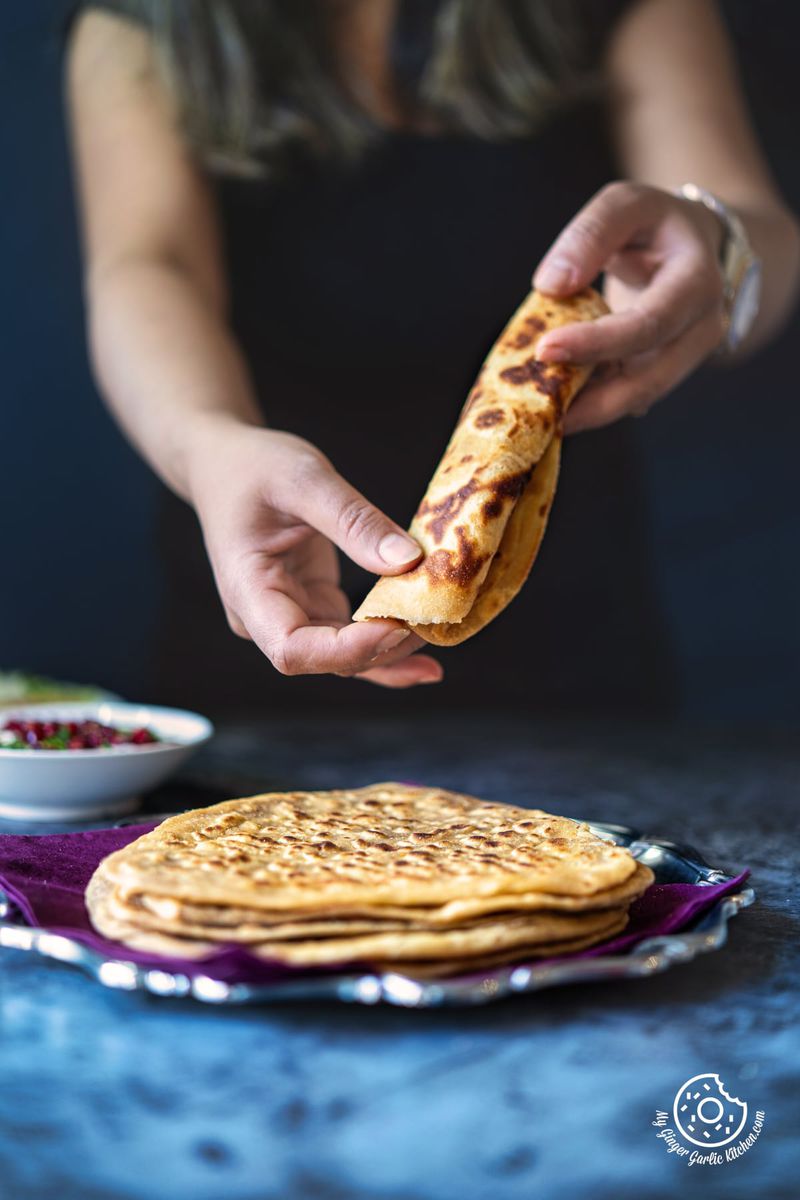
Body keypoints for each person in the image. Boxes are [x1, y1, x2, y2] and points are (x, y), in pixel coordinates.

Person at [66, 0, 799, 704]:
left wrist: (719, 249)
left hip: (574, 644)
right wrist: (206, 442)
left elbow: (759, 228)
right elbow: (150, 268)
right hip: (266, 599)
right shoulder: (142, 18)